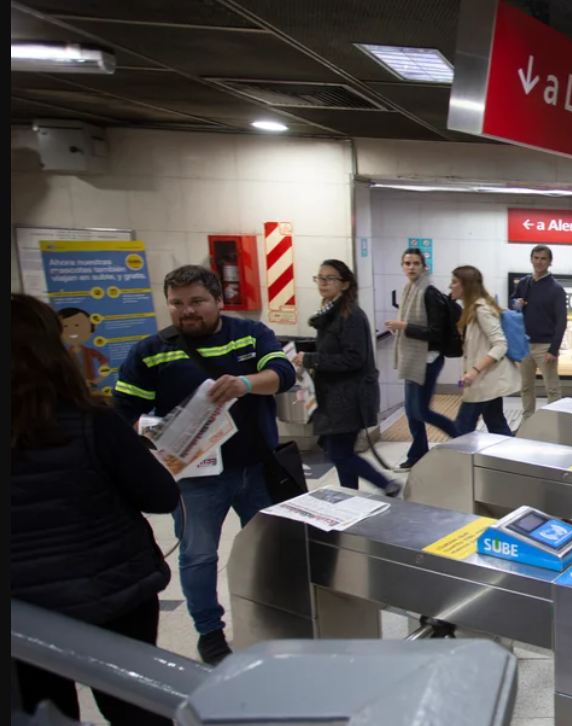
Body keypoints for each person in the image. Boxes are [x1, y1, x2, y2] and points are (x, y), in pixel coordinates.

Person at [114, 265, 296, 665]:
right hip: (194, 477)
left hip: (256, 468)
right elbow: (122, 409)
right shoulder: (151, 350)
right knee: (198, 555)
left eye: (196, 301)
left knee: (269, 549)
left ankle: (272, 614)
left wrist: (246, 383)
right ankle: (209, 632)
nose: (187, 311)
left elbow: (283, 374)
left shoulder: (250, 334)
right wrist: (152, 432)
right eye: (177, 304)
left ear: (217, 300)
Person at [12, 294, 179, 725]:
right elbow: (160, 496)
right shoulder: (90, 421)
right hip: (112, 592)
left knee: (42, 708)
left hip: (23, 612)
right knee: (135, 704)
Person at [296, 260, 396, 496]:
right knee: (339, 451)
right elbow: (332, 347)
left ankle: (386, 484)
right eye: (320, 278)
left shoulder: (350, 315)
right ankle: (349, 495)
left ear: (345, 284)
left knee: (339, 453)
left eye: (330, 278)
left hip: (349, 396)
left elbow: (354, 358)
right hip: (333, 395)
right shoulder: (330, 311)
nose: (323, 283)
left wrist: (312, 359)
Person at [387, 248, 460, 470]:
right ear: (402, 266)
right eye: (407, 263)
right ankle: (417, 453)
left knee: (420, 410)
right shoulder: (408, 290)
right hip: (413, 358)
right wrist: (401, 329)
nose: (411, 267)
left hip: (428, 360)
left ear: (423, 266)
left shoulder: (428, 293)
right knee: (411, 411)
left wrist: (404, 327)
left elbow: (435, 333)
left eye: (415, 263)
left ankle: (461, 437)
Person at [453, 265, 520, 436]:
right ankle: (510, 460)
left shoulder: (481, 310)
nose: (450, 286)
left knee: (461, 428)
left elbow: (500, 344)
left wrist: (474, 371)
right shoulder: (473, 309)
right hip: (488, 381)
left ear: (466, 286)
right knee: (496, 425)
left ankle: (458, 461)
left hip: (483, 381)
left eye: (454, 282)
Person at [511, 245, 566, 422]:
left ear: (550, 262)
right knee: (526, 387)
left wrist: (553, 349)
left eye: (543, 258)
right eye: (536, 258)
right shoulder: (524, 283)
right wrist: (515, 302)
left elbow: (561, 322)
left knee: (552, 388)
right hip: (525, 345)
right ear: (531, 259)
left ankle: (553, 423)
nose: (539, 262)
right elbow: (512, 302)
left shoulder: (556, 289)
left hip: (545, 346)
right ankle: (527, 422)